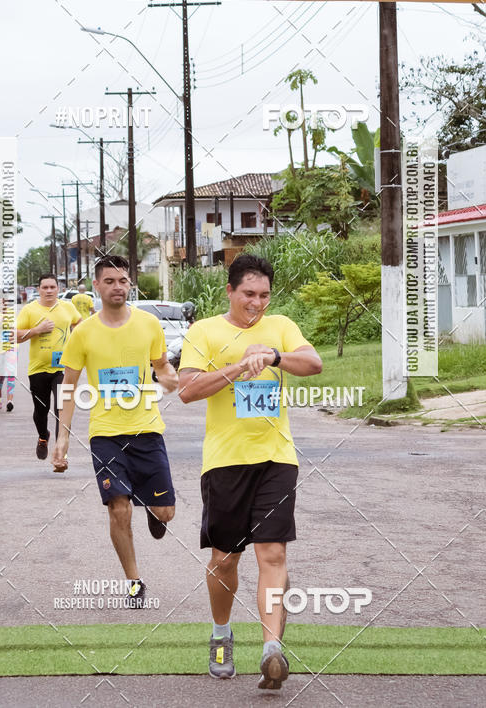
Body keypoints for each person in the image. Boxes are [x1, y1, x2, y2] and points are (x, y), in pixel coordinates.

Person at [178, 254, 322, 690]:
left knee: (273, 554)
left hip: (276, 457)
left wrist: (275, 356)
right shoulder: (204, 331)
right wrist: (239, 365)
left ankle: (271, 650)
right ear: (230, 292)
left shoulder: (280, 325)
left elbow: (313, 363)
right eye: (248, 294)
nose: (256, 303)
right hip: (225, 461)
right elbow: (186, 389)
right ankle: (221, 635)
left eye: (263, 295)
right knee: (225, 559)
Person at [52, 255, 178, 608]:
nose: (117, 287)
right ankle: (134, 581)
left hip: (147, 430)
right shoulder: (83, 333)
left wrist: (175, 383)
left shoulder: (149, 324)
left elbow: (162, 366)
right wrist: (63, 437)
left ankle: (156, 514)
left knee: (166, 510)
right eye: (109, 281)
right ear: (96, 286)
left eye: (123, 280)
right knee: (119, 509)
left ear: (130, 283)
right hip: (105, 434)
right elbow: (70, 387)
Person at [16, 274, 81, 459]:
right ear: (39, 290)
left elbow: (79, 323)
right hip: (38, 369)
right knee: (40, 411)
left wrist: (75, 341)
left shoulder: (68, 307)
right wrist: (37, 330)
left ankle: (61, 450)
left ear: (58, 289)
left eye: (52, 287)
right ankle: (43, 436)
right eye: (45, 287)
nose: (49, 291)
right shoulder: (30, 310)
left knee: (62, 407)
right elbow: (14, 336)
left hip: (63, 368)